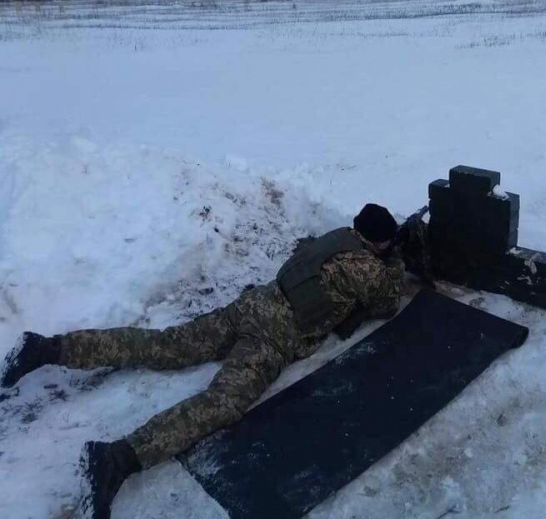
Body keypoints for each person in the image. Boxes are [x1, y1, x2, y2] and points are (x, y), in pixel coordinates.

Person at [1, 203, 410, 519]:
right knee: (222, 403)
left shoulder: (337, 237)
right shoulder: (366, 266)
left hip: (253, 304)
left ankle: (50, 348)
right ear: (377, 242)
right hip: (273, 335)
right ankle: (117, 459)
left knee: (165, 344)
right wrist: (395, 262)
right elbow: (388, 303)